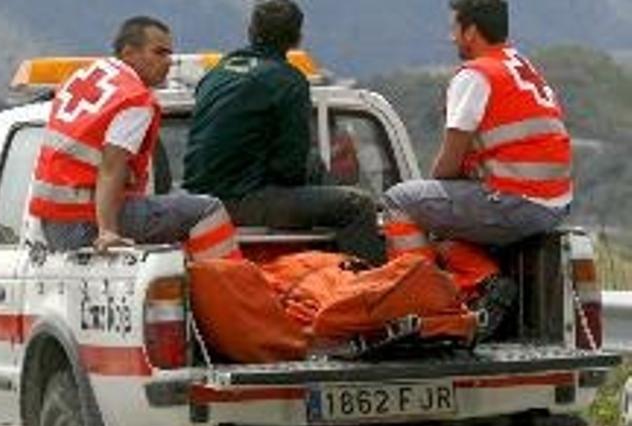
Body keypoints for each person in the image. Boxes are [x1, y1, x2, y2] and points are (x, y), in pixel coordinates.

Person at [383, 0, 572, 333]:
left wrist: (438, 188)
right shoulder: (520, 66)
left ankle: (428, 305)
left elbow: (448, 163)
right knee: (439, 209)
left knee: (401, 201)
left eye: (454, 28)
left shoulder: (475, 75)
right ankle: (483, 282)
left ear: (470, 31)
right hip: (553, 204)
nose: (451, 37)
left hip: (516, 202)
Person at [182, 0, 385, 265]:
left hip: (198, 200)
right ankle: (369, 294)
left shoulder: (216, 75)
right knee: (356, 206)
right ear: (297, 37)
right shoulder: (288, 81)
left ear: (251, 31)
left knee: (313, 166)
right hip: (239, 201)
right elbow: (288, 167)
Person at [28, 16, 241, 261]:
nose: (168, 61)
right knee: (208, 209)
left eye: (169, 54)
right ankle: (229, 292)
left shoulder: (85, 77)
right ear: (129, 53)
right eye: (160, 52)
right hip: (86, 221)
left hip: (53, 223)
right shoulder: (134, 99)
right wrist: (108, 231)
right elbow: (112, 166)